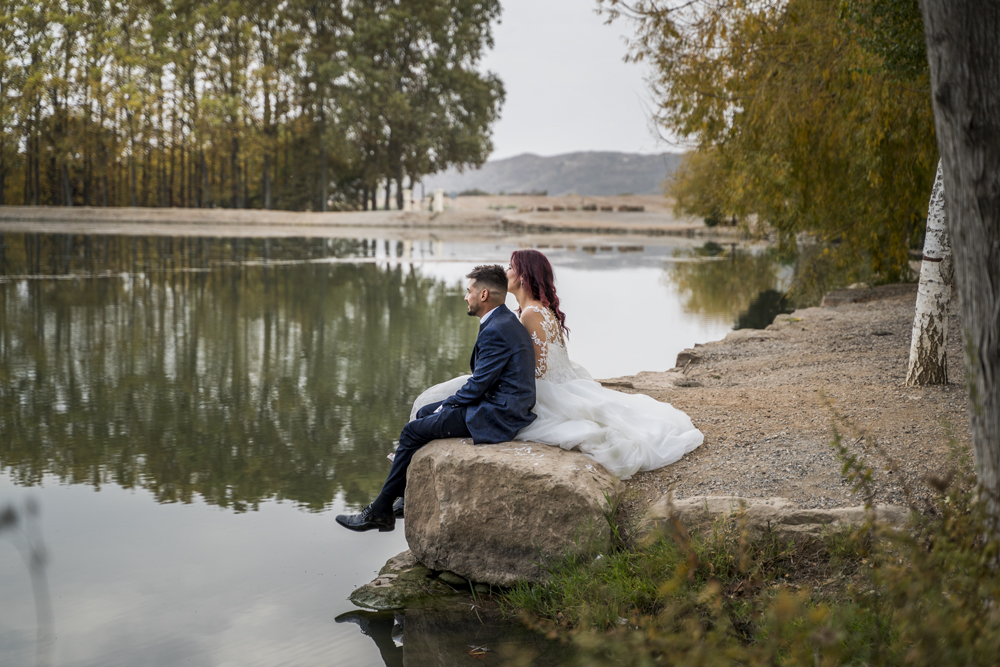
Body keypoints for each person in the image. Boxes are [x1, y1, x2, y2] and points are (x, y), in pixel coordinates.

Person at [412, 249, 704, 480]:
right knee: (450, 393)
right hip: (560, 380)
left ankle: (413, 447)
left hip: (543, 389)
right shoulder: (539, 310)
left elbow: (536, 370)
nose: (506, 271)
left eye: (511, 267)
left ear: (523, 276)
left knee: (442, 396)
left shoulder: (529, 315)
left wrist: (491, 380)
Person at [335, 264, 537, 532]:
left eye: (469, 292)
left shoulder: (497, 328)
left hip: (499, 413)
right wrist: (441, 408)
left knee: (411, 432)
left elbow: (477, 385)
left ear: (484, 295)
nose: (466, 297)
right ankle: (406, 497)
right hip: (498, 401)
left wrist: (446, 406)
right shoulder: (501, 320)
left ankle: (379, 511)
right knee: (422, 414)